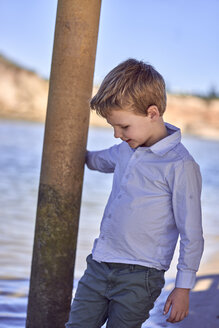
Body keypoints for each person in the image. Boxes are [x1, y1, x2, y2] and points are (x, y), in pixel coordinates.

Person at [65, 58, 204, 328]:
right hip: (100, 263)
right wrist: (66, 151)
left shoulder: (180, 165)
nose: (117, 135)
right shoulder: (125, 150)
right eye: (113, 127)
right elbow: (95, 160)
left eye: (124, 127)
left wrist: (183, 287)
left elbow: (192, 233)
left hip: (140, 275)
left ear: (152, 113)